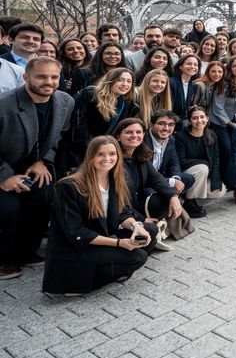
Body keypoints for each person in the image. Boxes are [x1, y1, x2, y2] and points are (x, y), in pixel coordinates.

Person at [43, 137, 153, 295]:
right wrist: (118, 243)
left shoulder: (117, 178)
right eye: (101, 154)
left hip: (100, 235)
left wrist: (136, 226)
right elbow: (77, 233)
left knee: (149, 230)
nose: (107, 159)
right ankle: (75, 283)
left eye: (112, 154)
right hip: (75, 247)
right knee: (138, 256)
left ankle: (109, 267)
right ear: (90, 156)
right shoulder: (68, 186)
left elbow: (122, 211)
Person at [0, 57, 75, 280]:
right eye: (41, 76)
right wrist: (4, 177)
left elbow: (58, 136)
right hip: (4, 164)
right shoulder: (4, 103)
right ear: (26, 77)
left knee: (45, 195)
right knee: (8, 208)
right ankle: (5, 259)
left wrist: (42, 160)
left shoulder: (65, 101)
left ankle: (26, 252)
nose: (48, 82)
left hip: (34, 164)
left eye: (54, 77)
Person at [113, 118, 184, 251]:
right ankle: (143, 234)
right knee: (149, 231)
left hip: (134, 205)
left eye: (138, 132)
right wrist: (142, 219)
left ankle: (149, 233)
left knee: (166, 198)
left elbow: (158, 180)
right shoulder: (114, 160)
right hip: (118, 212)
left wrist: (174, 197)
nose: (134, 135)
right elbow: (117, 201)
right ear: (118, 136)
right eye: (129, 132)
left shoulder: (140, 156)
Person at [145, 110, 200, 219]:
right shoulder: (143, 141)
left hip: (161, 178)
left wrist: (176, 178)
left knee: (188, 179)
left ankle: (171, 200)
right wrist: (172, 182)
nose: (166, 128)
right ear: (151, 125)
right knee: (156, 196)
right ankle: (169, 201)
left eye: (171, 125)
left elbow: (174, 163)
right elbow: (146, 175)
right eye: (161, 124)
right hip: (146, 182)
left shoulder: (170, 139)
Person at [208, 57, 236, 188]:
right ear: (230, 68)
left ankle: (231, 179)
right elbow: (217, 107)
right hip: (220, 121)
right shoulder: (224, 83)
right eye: (235, 66)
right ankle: (220, 179)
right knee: (226, 148)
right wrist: (230, 124)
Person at [73, 68, 140, 149]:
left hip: (102, 148)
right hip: (79, 147)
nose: (125, 84)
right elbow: (77, 122)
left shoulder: (126, 103)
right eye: (120, 80)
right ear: (110, 80)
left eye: (129, 81)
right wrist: (90, 144)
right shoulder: (90, 94)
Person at [174, 105, 223, 215]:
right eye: (195, 118)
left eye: (202, 117)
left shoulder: (211, 135)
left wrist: (216, 183)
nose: (199, 121)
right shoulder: (181, 136)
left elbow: (215, 160)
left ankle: (187, 203)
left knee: (219, 191)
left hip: (203, 173)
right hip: (185, 174)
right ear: (190, 121)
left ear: (207, 118)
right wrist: (204, 163)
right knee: (202, 168)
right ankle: (191, 203)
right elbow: (180, 161)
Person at [170, 54, 207, 125]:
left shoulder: (193, 85)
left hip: (183, 121)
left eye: (195, 65)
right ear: (181, 66)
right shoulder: (171, 82)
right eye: (189, 64)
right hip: (171, 120)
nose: (193, 67)